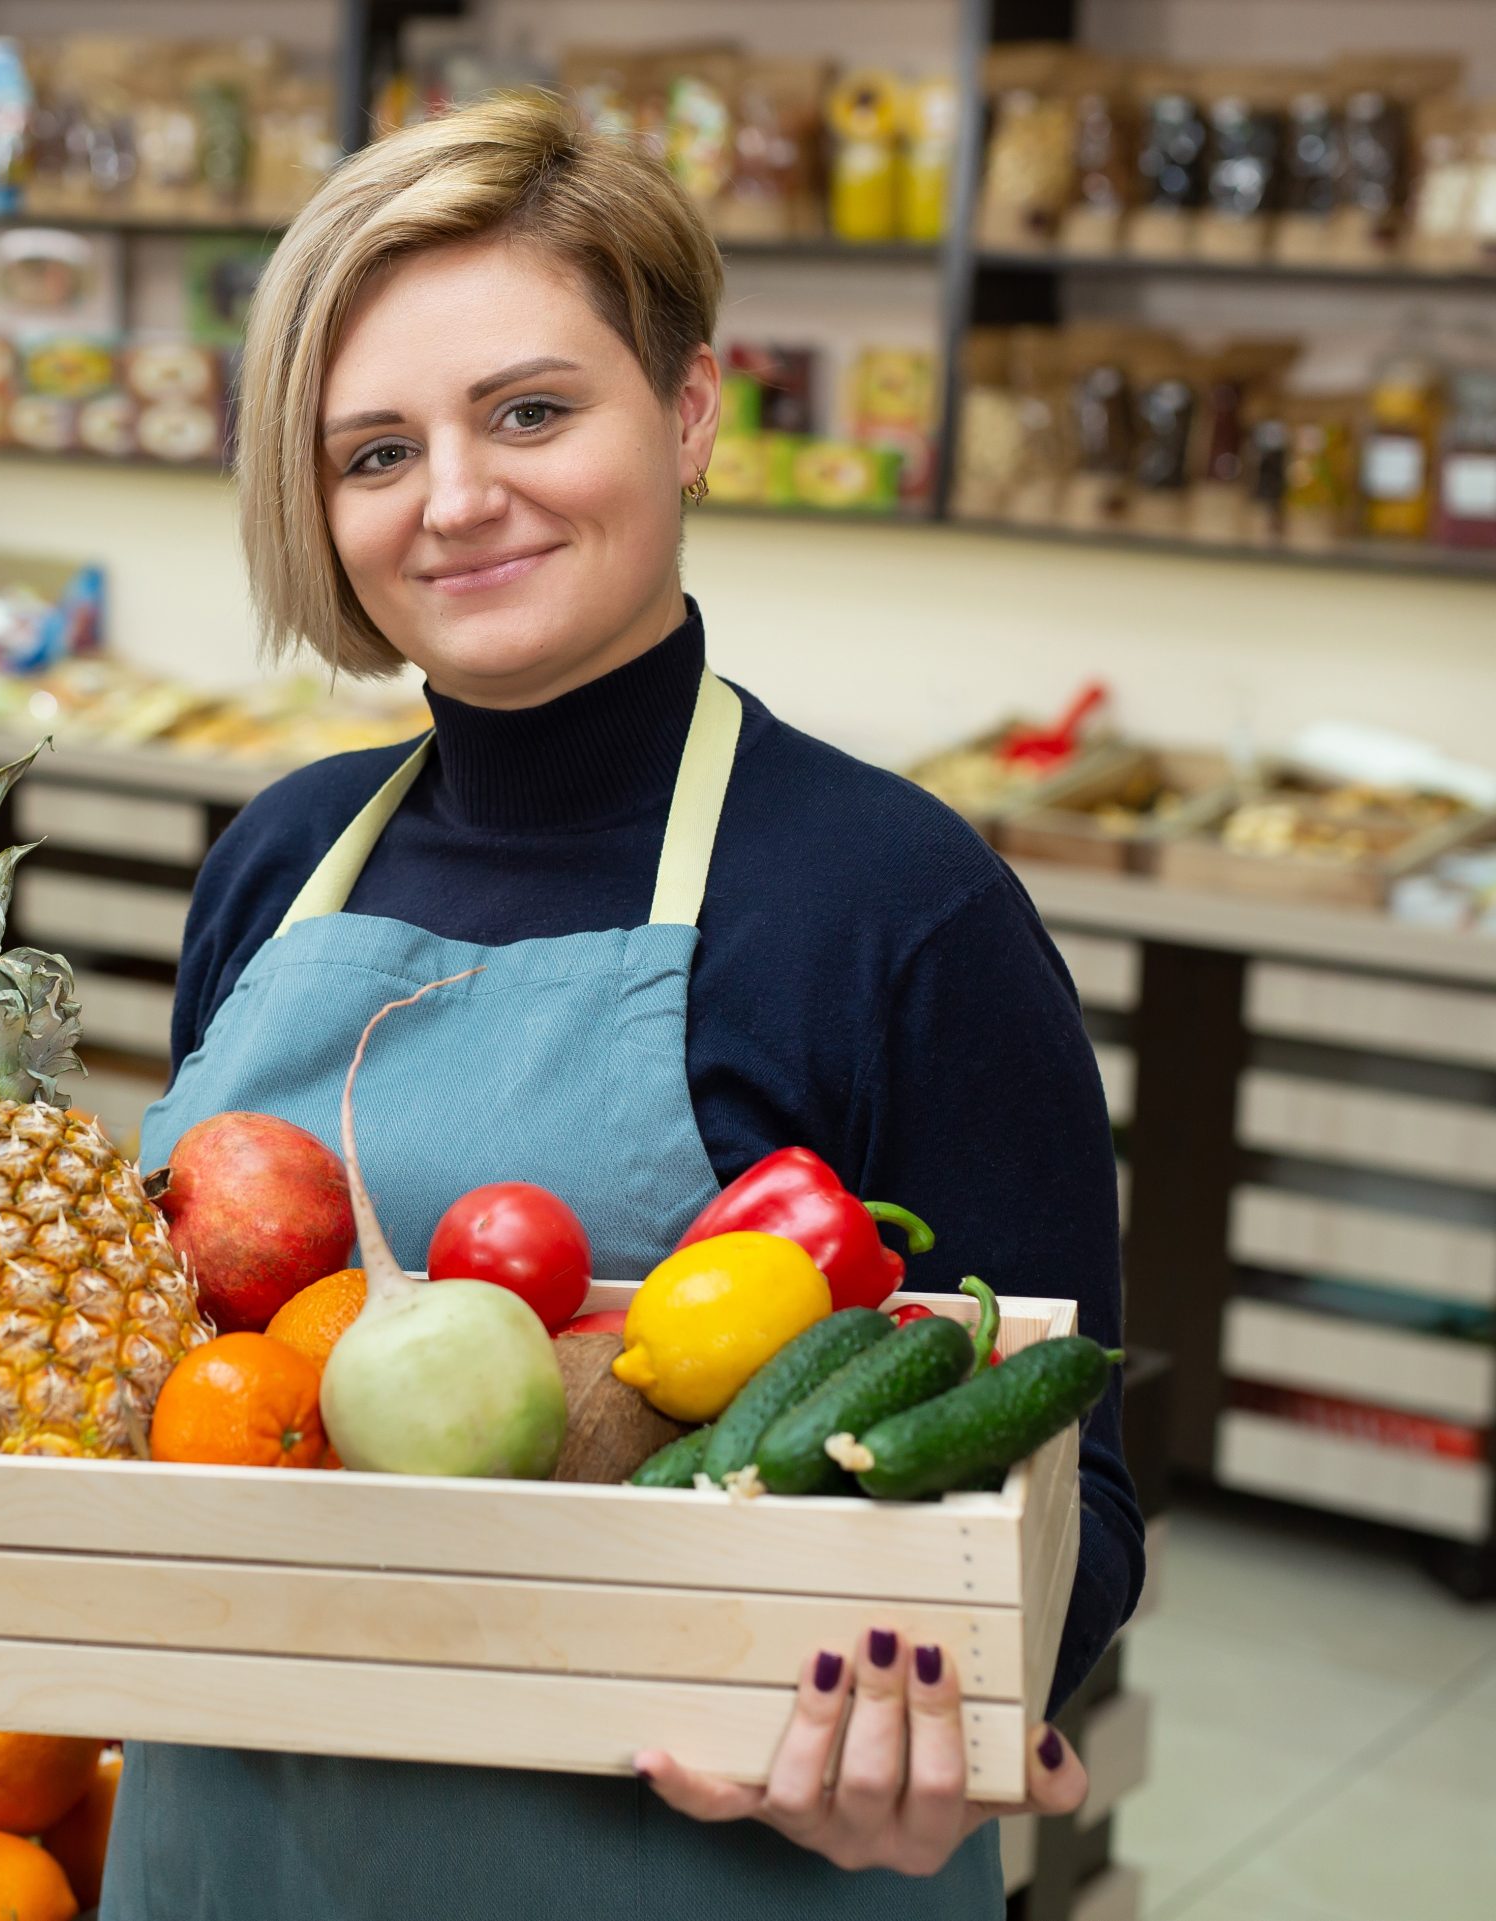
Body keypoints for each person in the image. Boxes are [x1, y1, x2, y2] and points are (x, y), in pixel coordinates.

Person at [103, 93, 1141, 1919]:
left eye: (529, 410)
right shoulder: (273, 864)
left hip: (710, 1868)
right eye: (372, 452)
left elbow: (1082, 1503)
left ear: (688, 411)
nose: (456, 497)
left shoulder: (900, 908)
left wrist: (946, 1741)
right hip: (244, 1850)